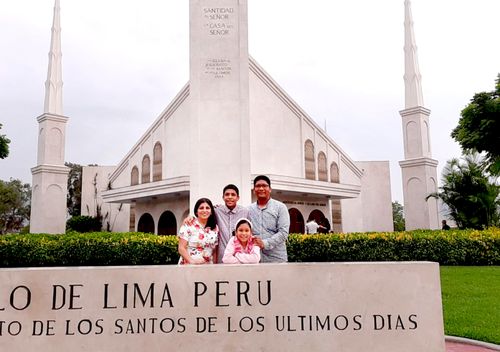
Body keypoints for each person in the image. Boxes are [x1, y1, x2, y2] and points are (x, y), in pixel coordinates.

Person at [249, 175, 290, 263]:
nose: (261, 188)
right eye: (258, 186)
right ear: (254, 190)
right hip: (255, 258)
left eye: (264, 185)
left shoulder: (280, 207)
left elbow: (283, 233)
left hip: (276, 258)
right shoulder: (249, 209)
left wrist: (265, 243)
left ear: (270, 189)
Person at [214, 184, 249, 263]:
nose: (230, 197)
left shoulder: (245, 212)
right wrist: (190, 218)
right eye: (227, 194)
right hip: (222, 257)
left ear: (238, 198)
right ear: (223, 197)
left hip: (240, 256)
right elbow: (202, 216)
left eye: (233, 195)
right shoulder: (216, 211)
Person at [177, 198, 218, 264]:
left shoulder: (215, 228)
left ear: (211, 212)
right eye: (201, 208)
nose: (204, 210)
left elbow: (215, 250)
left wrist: (214, 265)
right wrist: (192, 261)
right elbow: (181, 248)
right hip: (190, 265)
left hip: (207, 266)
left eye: (207, 208)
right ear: (196, 211)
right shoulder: (188, 224)